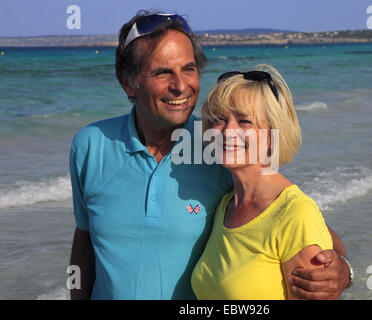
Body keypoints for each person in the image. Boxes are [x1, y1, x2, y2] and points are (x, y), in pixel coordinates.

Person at [69, 10, 352, 300]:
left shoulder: (215, 148)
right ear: (129, 82)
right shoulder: (90, 146)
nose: (180, 85)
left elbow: (295, 219)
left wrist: (342, 269)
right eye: (162, 71)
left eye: (188, 69)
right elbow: (85, 241)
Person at [192, 65, 343, 299]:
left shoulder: (296, 213)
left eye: (244, 122)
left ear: (274, 136)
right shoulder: (226, 205)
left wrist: (345, 269)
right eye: (220, 119)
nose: (228, 131)